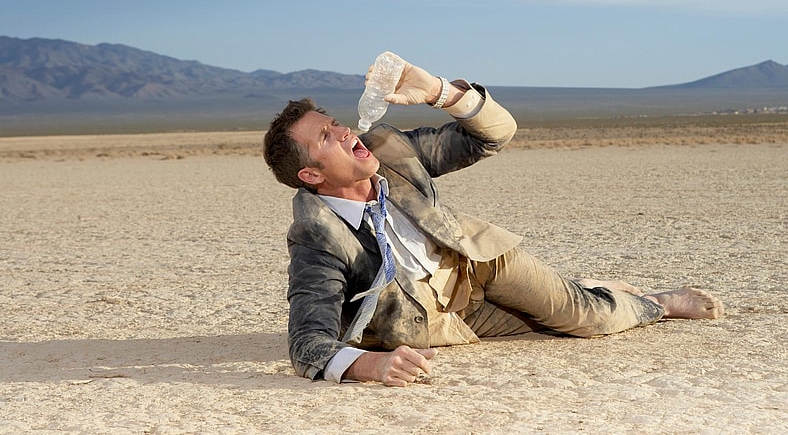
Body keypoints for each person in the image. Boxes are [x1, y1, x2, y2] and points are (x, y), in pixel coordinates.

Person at [262, 54, 723, 387]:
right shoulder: (316, 235)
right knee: (547, 327)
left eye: (336, 122)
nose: (345, 131)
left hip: (474, 262)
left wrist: (439, 91)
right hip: (432, 316)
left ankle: (658, 304)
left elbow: (494, 136)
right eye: (326, 136)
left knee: (585, 318)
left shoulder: (390, 152)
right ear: (311, 174)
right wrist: (371, 366)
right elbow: (308, 342)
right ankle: (593, 289)